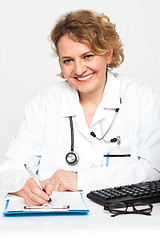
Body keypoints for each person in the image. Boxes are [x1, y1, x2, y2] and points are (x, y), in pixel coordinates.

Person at [0, 10, 160, 206]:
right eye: (68, 60)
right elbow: (11, 168)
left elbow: (154, 169)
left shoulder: (140, 98)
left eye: (87, 56)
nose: (78, 69)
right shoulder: (44, 104)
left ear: (108, 54)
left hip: (122, 220)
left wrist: (81, 179)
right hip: (55, 221)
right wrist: (23, 185)